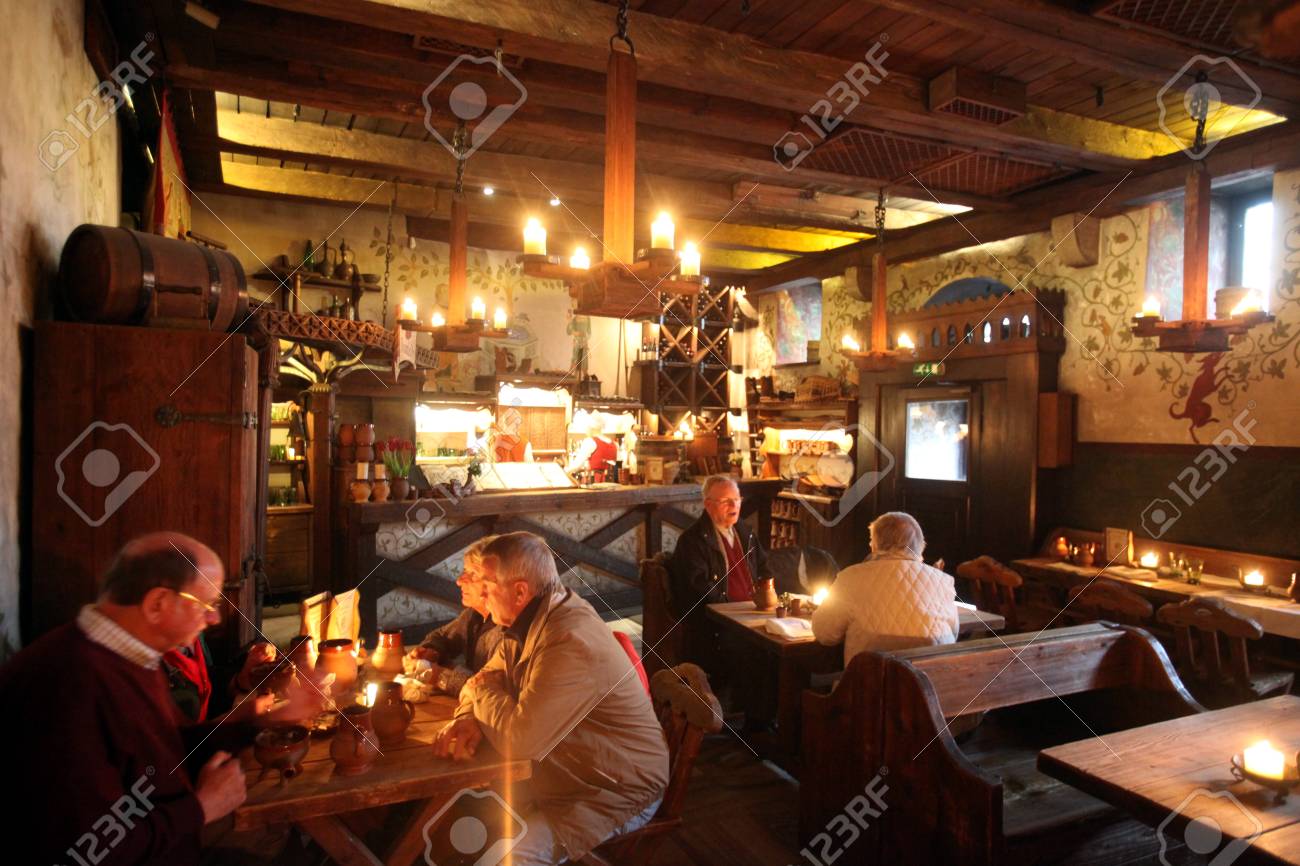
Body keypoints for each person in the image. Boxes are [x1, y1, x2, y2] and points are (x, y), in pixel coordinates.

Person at [0, 533, 256, 866]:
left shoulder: (133, 656)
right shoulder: (64, 684)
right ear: (157, 604)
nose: (214, 619)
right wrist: (201, 808)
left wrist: (257, 721)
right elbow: (88, 849)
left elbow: (165, 755)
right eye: (207, 605)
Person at [432, 532, 669, 865]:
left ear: (520, 591)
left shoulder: (569, 639)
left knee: (509, 859)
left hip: (615, 791)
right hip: (566, 773)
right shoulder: (530, 618)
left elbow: (519, 740)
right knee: (461, 814)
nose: (480, 593)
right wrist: (467, 716)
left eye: (487, 584)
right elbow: (485, 677)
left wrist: (483, 690)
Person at [811, 512, 959, 664]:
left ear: (875, 545)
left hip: (870, 677)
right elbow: (954, 633)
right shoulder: (943, 580)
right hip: (933, 677)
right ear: (920, 546)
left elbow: (825, 634)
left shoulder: (850, 577)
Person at [408, 536, 504, 695]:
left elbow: (490, 691)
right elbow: (442, 636)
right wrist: (430, 651)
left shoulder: (506, 631)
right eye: (465, 571)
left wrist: (439, 676)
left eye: (473, 574)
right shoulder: (474, 614)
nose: (459, 581)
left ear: (497, 581)